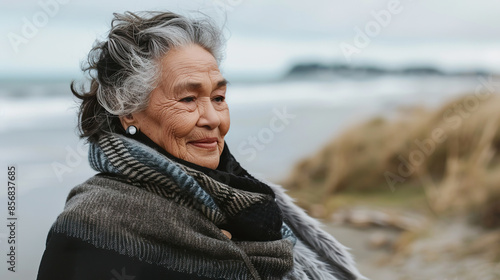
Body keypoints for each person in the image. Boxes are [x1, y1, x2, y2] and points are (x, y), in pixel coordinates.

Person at [37, 11, 365, 280]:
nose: (213, 118)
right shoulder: (93, 227)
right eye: (188, 98)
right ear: (128, 110)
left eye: (219, 97)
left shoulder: (246, 199)